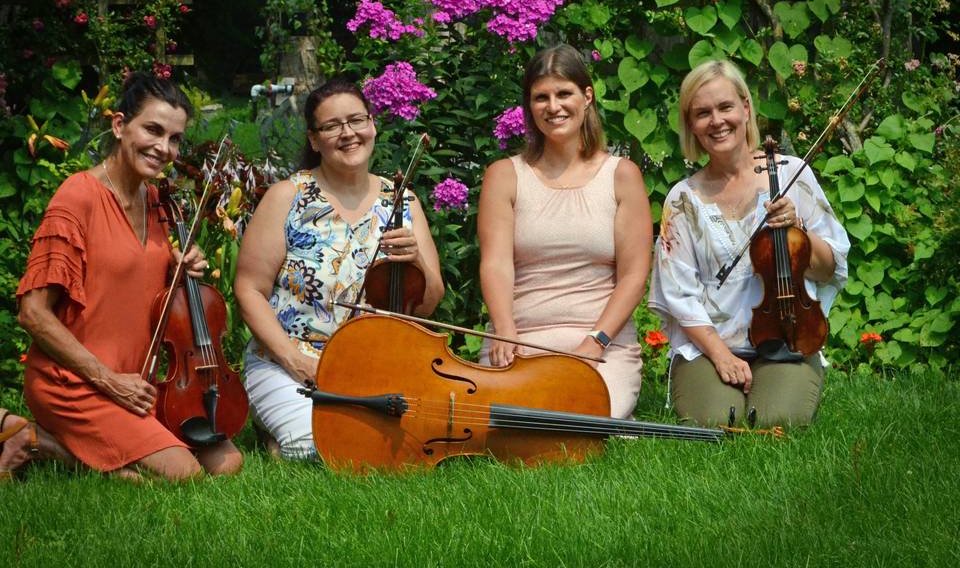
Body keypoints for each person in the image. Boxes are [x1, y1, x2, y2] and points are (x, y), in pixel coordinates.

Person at [2, 72, 242, 481]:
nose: (164, 148)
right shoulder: (78, 197)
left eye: (175, 138)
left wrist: (179, 270)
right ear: (118, 125)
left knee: (226, 462)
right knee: (184, 473)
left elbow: (136, 290)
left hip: (142, 384)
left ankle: (92, 450)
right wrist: (109, 380)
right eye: (152, 130)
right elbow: (33, 314)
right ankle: (34, 438)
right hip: (77, 382)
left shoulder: (155, 201)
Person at [234, 78, 444, 460]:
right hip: (292, 363)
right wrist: (295, 361)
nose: (348, 134)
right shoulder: (288, 196)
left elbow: (427, 305)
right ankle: (279, 429)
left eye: (356, 121)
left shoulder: (403, 201)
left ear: (372, 124)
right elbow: (249, 289)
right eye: (332, 126)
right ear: (314, 140)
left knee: (420, 434)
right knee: (330, 447)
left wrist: (416, 263)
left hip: (374, 368)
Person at [648, 59, 851, 428]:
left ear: (745, 108)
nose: (717, 121)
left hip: (787, 337)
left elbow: (829, 267)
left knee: (775, 420)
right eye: (702, 113)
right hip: (710, 346)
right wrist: (721, 356)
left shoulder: (792, 175)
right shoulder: (681, 200)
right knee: (715, 422)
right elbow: (679, 295)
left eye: (725, 107)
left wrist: (799, 232)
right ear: (691, 125)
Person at [477, 44, 653, 420]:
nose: (553, 106)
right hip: (520, 340)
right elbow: (495, 265)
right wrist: (505, 330)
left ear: (586, 96)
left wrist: (596, 342)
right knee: (513, 421)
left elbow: (634, 276)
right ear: (529, 107)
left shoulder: (621, 176)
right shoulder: (503, 175)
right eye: (541, 97)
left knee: (574, 415)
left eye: (563, 93)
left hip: (600, 344)